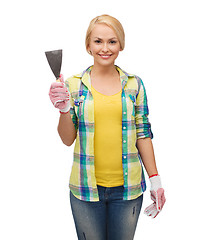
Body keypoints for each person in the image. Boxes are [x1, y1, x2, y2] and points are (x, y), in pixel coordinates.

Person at [49, 14, 166, 240]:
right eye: (98, 41)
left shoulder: (134, 85)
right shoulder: (73, 84)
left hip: (128, 191)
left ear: (121, 44)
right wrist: (64, 110)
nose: (105, 48)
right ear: (88, 45)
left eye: (112, 41)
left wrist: (155, 180)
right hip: (85, 190)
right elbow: (67, 139)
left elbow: (143, 134)